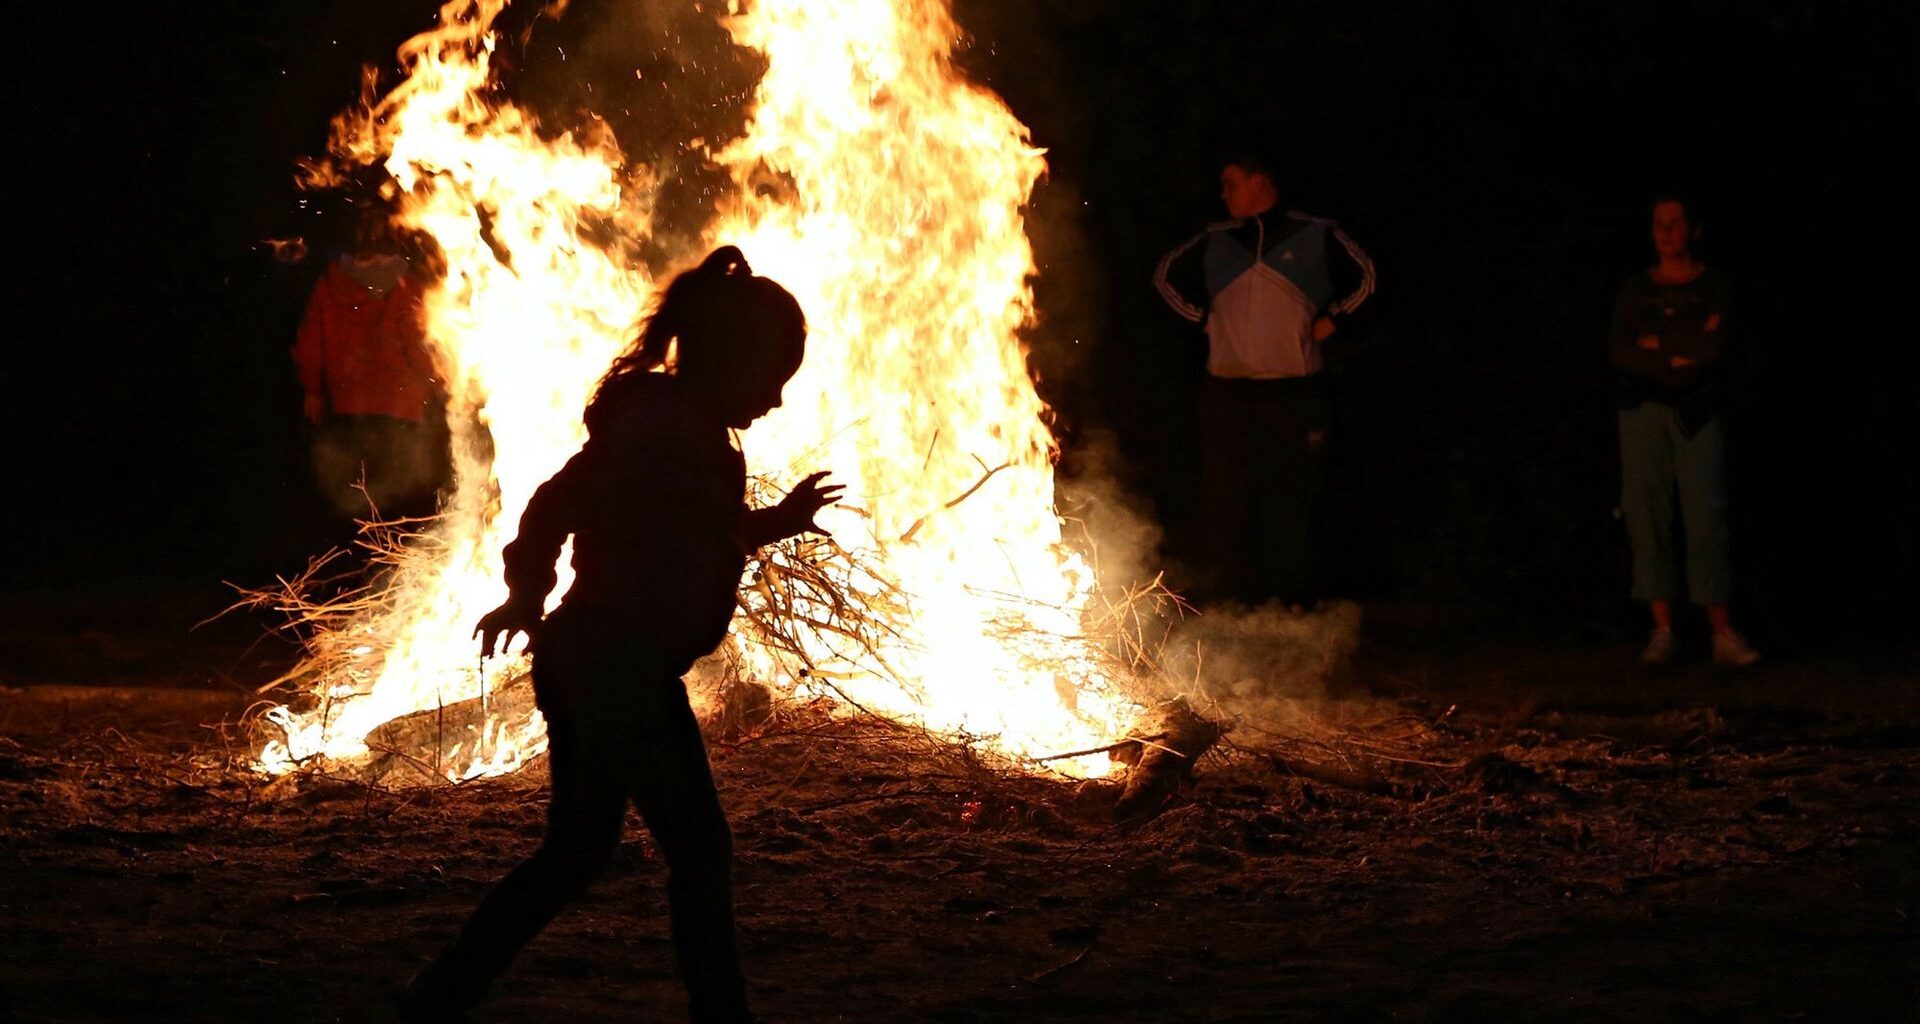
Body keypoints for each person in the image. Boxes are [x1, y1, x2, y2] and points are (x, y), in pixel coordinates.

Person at [396, 246, 841, 1024]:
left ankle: (441, 993)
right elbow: (555, 502)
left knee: (577, 853)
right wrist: (525, 594)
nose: (775, 400)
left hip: (599, 660)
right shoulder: (664, 428)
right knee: (699, 849)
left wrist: (778, 521)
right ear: (731, 361)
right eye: (772, 379)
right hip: (614, 663)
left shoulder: (689, 432)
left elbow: (697, 531)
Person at [1152, 153, 1375, 606]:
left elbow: (1368, 277)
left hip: (1294, 394)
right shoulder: (1217, 237)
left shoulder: (1314, 232)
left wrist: (1334, 319)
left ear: (1259, 183)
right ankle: (1228, 607)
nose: (1223, 193)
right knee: (1226, 502)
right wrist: (1203, 320)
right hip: (1227, 394)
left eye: (1230, 183)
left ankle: (1291, 610)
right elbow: (1163, 276)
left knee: (1292, 502)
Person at [1608, 195, 1759, 667]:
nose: (1665, 232)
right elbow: (1620, 350)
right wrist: (1676, 352)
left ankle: (1721, 631)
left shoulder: (1714, 285)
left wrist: (1657, 345)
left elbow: (1712, 348)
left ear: (1694, 229)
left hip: (1697, 410)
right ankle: (1663, 630)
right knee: (1646, 514)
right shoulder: (1637, 288)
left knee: (1706, 516)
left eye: (1674, 223)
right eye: (1658, 223)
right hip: (1643, 410)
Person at [292, 206, 445, 519]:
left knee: (353, 492)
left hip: (348, 405)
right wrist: (436, 382)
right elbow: (416, 345)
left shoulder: (330, 283)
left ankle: (354, 542)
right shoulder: (405, 286)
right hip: (401, 407)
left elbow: (310, 340)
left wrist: (313, 390)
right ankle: (396, 547)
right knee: (401, 496)